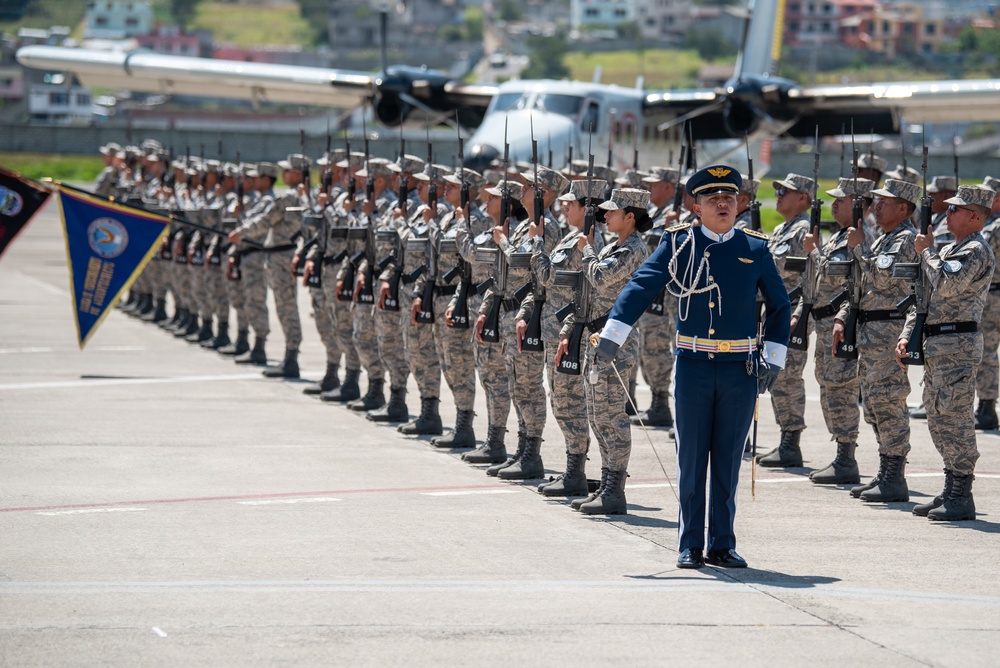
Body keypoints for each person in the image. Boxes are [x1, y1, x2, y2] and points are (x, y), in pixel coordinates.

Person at [593, 165, 790, 568]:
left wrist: (772, 355)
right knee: (692, 458)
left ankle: (722, 543)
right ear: (695, 206)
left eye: (729, 198)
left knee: (728, 459)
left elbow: (780, 305)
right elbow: (640, 285)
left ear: (739, 204)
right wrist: (612, 335)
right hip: (695, 365)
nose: (723, 204)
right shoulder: (679, 244)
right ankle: (689, 543)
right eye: (713, 199)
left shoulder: (755, 248)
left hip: (739, 368)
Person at [897, 185, 996, 521]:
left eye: (955, 210)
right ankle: (951, 486)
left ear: (974, 216)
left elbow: (947, 284)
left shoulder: (975, 250)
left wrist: (926, 252)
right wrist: (908, 334)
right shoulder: (954, 249)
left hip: (958, 345)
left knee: (955, 418)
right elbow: (924, 296)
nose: (947, 213)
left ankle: (962, 493)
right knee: (939, 418)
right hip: (938, 344)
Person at [554, 187, 649, 513]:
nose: (604, 215)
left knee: (612, 417)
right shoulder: (612, 246)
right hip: (593, 338)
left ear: (630, 217)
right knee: (596, 414)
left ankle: (614, 490)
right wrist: (569, 330)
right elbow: (584, 293)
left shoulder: (634, 249)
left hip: (616, 342)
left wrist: (588, 251)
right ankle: (606, 484)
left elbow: (601, 278)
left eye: (612, 211)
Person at [831, 179, 920, 503]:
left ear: (903, 208)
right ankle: (885, 471)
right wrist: (843, 317)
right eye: (877, 201)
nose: (876, 206)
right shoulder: (884, 238)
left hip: (889, 333)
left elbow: (881, 279)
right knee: (873, 403)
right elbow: (860, 285)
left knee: (889, 402)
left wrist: (860, 247)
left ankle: (895, 476)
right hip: (870, 333)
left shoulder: (906, 240)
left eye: (885, 202)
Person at [803, 177, 874, 485]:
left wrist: (815, 253)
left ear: (860, 206)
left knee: (841, 388)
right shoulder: (839, 238)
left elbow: (853, 282)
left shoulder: (862, 239)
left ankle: (847, 457)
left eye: (841, 200)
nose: (833, 203)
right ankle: (841, 455)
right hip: (824, 325)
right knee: (828, 386)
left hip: (842, 325)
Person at [759, 173, 814, 468]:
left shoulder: (803, 232)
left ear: (803, 198)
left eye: (786, 191)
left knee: (789, 377)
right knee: (777, 375)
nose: (779, 194)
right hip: (775, 311)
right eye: (779, 189)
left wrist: (799, 316)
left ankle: (791, 442)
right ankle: (785, 439)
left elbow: (809, 280)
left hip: (792, 313)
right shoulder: (782, 229)